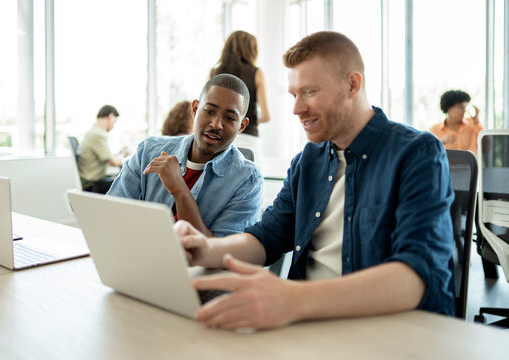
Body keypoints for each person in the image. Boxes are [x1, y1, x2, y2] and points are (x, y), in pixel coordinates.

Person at [177, 31, 455, 330]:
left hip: (387, 331)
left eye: (309, 92)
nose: (297, 109)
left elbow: (416, 277)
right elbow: (266, 238)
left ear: (352, 84)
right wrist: (207, 249)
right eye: (294, 94)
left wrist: (293, 299)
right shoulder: (308, 161)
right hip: (310, 325)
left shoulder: (416, 152)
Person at [108, 74, 263, 237]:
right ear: (195, 109)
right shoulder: (147, 152)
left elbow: (220, 254)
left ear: (242, 126)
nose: (216, 124)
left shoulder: (248, 181)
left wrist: (180, 190)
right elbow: (111, 214)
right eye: (209, 111)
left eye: (230, 118)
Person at [210, 30, 270, 164]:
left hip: (220, 138)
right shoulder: (256, 74)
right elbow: (266, 116)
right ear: (252, 50)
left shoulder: (214, 73)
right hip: (249, 140)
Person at [77, 105, 128, 194]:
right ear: (111, 117)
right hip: (94, 184)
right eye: (114, 122)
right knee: (128, 184)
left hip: (90, 180)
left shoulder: (93, 132)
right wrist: (126, 158)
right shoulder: (97, 134)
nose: (113, 126)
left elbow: (107, 157)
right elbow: (113, 162)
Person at [430, 90, 483, 156]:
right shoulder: (434, 130)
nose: (464, 111)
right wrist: (441, 142)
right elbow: (430, 154)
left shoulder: (473, 124)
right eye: (461, 107)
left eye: (465, 107)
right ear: (448, 108)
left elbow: (487, 148)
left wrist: (476, 123)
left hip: (471, 166)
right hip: (447, 166)